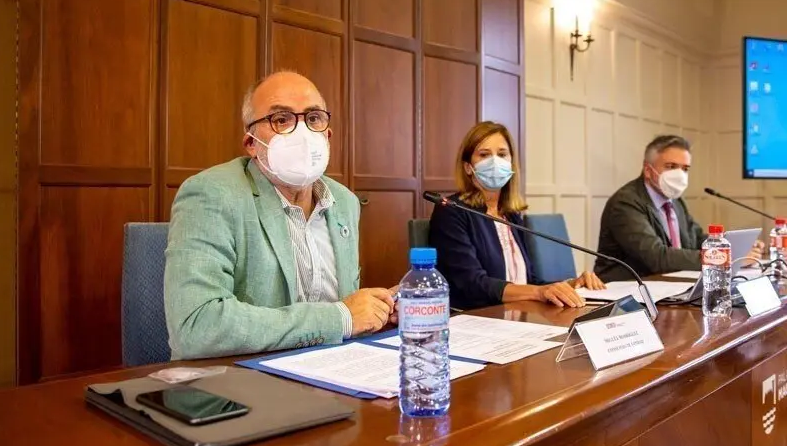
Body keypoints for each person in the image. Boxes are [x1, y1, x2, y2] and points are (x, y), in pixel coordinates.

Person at [164, 71, 395, 359]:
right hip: (240, 386)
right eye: (282, 119)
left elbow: (348, 313)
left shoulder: (344, 202)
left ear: (327, 136)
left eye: (313, 119)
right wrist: (341, 318)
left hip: (334, 376)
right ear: (251, 143)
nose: (302, 134)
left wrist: (379, 309)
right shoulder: (211, 194)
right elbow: (197, 326)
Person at [429, 121, 606, 310]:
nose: (495, 161)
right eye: (484, 154)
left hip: (519, 316)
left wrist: (572, 285)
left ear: (511, 163)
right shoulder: (452, 211)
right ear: (468, 167)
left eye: (502, 154)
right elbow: (472, 283)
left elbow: (528, 280)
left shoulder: (511, 216)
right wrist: (539, 292)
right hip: (479, 319)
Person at [594, 134, 764, 282]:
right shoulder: (626, 202)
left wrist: (730, 247)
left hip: (666, 286)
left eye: (685, 169)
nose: (679, 175)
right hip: (624, 294)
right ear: (648, 169)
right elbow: (657, 257)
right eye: (671, 166)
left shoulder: (675, 201)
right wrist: (722, 258)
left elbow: (696, 239)